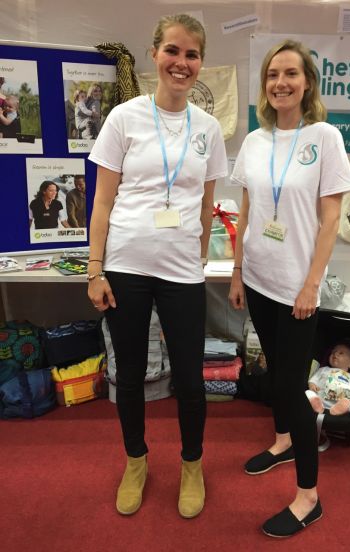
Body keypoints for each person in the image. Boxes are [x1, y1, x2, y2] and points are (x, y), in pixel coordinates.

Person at [87, 13, 227, 518]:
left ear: (200, 62)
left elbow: (207, 204)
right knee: (128, 375)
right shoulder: (124, 118)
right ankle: (136, 460)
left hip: (182, 273)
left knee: (191, 379)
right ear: (154, 54)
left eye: (191, 54)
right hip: (125, 265)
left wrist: (199, 254)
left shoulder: (208, 128)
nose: (181, 63)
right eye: (173, 51)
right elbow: (102, 203)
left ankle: (192, 464)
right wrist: (95, 269)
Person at [229, 39, 350, 538]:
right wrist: (238, 272)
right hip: (258, 277)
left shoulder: (325, 137)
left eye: (291, 74)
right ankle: (282, 441)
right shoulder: (256, 140)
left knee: (289, 385)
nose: (280, 82)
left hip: (297, 288)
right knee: (275, 369)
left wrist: (311, 285)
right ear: (265, 84)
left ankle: (310, 497)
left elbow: (331, 219)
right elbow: (245, 210)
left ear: (307, 83)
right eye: (272, 74)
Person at [306, 342, 350, 416]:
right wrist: (312, 384)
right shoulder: (324, 369)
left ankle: (340, 408)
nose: (335, 354)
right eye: (333, 352)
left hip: (339, 402)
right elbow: (314, 378)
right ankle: (317, 405)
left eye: (341, 353)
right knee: (308, 393)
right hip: (319, 397)